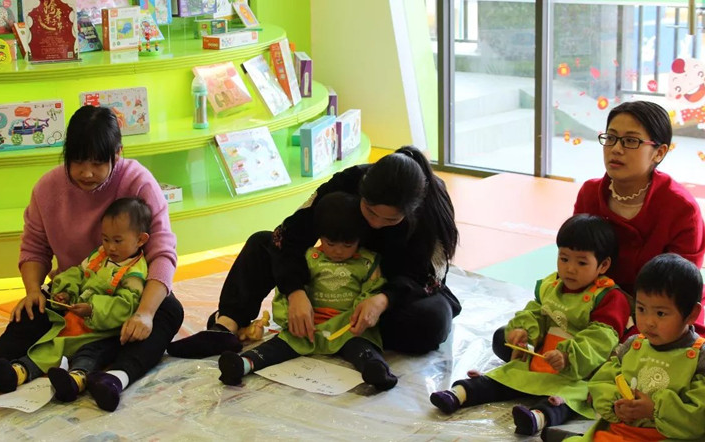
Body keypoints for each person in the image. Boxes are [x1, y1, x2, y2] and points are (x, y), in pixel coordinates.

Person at [0, 105, 183, 412]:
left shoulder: (138, 181)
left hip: (128, 292)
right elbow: (34, 247)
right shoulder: (48, 188)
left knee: (167, 311)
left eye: (98, 163)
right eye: (77, 161)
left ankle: (116, 377)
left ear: (117, 154)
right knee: (32, 312)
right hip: (75, 291)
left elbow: (162, 251)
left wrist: (145, 313)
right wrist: (33, 290)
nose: (86, 173)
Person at [167, 145, 461, 359]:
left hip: (383, 287)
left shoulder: (432, 206)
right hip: (327, 277)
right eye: (370, 211)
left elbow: (429, 277)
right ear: (362, 191)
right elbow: (288, 235)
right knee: (261, 243)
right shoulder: (347, 182)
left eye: (391, 220)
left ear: (411, 211)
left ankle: (345, 333)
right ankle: (226, 326)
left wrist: (383, 299)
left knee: (431, 322)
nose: (376, 223)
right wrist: (295, 291)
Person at [493, 101, 705, 362]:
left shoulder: (680, 208)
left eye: (630, 141)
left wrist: (632, 330)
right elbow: (575, 258)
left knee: (649, 360)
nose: (616, 149)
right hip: (593, 303)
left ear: (658, 152)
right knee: (506, 338)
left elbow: (680, 288)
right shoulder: (590, 193)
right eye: (611, 138)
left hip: (655, 314)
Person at [430, 214, 630, 436]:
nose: (570, 269)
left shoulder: (609, 298)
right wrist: (523, 331)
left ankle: (537, 417)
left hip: (579, 370)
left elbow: (600, 340)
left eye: (581, 263)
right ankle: (460, 393)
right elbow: (536, 312)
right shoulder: (553, 284)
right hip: (542, 358)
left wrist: (568, 356)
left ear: (603, 265)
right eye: (564, 259)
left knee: (568, 398)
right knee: (508, 374)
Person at [217, 192, 397, 390]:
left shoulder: (367, 262)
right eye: (330, 243)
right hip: (308, 327)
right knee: (277, 346)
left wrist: (359, 313)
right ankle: (243, 364)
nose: (338, 251)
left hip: (347, 328)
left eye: (348, 245)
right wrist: (288, 318)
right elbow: (286, 292)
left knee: (362, 347)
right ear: (319, 236)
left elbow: (371, 290)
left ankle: (375, 369)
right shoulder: (308, 259)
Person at [0, 197, 151, 403]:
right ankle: (16, 372)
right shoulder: (100, 255)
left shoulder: (135, 273)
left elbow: (126, 306)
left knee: (89, 354)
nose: (110, 247)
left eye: (118, 241)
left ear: (141, 240)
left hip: (102, 330)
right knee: (50, 344)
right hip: (75, 319)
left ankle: (75, 381)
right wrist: (65, 292)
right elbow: (78, 273)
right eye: (105, 239)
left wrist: (92, 309)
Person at [566, 253, 705, 441]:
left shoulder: (699, 358)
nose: (649, 322)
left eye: (661, 313)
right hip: (619, 431)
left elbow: (698, 419)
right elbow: (602, 381)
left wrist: (654, 410)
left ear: (692, 314)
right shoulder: (634, 345)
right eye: (641, 309)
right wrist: (616, 404)